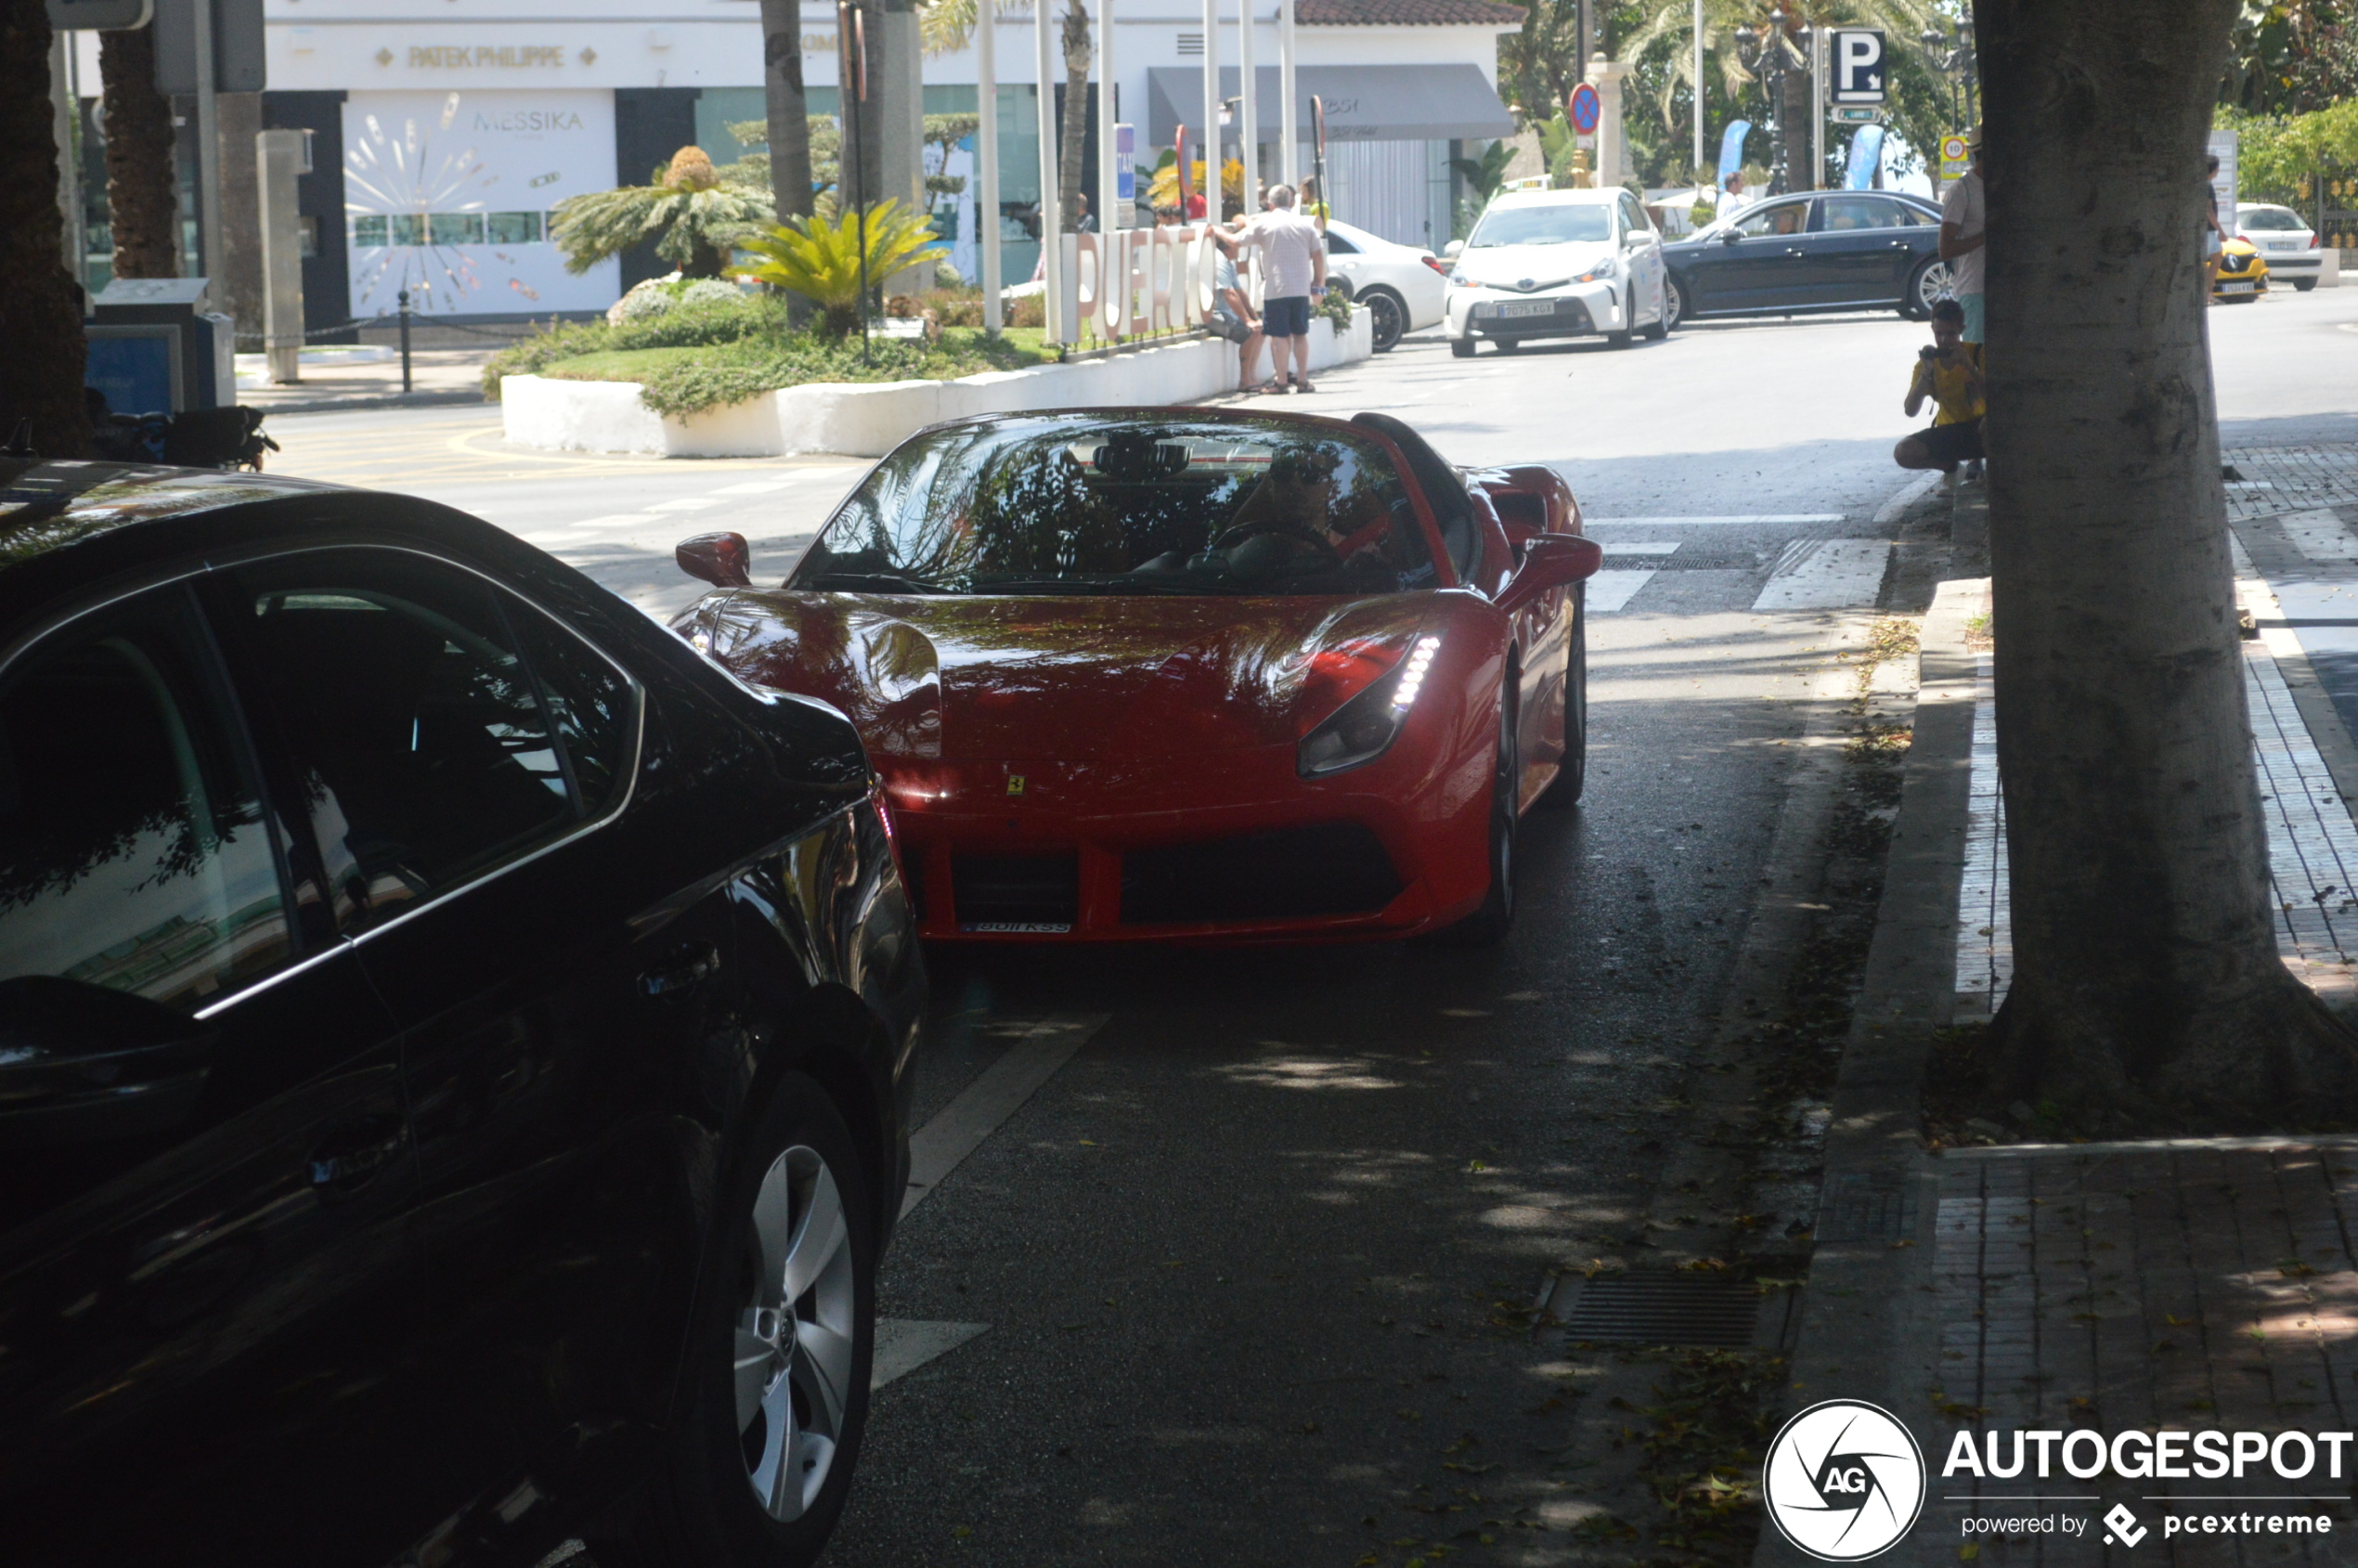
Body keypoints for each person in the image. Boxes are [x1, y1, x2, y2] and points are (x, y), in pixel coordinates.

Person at [1229, 183, 1326, 394]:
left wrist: (1216, 231)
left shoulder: (1265, 224)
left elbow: (1237, 241)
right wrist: (1319, 282)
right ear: (1291, 202)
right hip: (1301, 288)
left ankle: (1281, 382)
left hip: (1276, 289)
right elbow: (1318, 254)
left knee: (1279, 336)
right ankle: (1302, 380)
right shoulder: (1304, 224)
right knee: (1300, 334)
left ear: (1270, 204)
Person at [1894, 298, 1987, 479]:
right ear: (1933, 331)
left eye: (1951, 334)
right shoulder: (1927, 364)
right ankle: (1950, 468)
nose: (1944, 341)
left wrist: (1969, 367)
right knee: (1903, 452)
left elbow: (1998, 398)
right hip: (1949, 430)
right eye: (1939, 334)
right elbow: (1910, 411)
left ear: (1962, 330)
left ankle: (1985, 470)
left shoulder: (1978, 353)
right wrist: (1926, 373)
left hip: (1981, 427)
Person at [1939, 129, 1987, 354]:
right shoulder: (1962, 190)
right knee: (1977, 356)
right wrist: (1985, 237)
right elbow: (1945, 249)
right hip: (1975, 289)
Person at [1208, 228, 1268, 393]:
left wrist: (1254, 318)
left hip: (1228, 312)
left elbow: (1240, 292)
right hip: (1215, 314)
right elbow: (1229, 294)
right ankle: (1244, 381)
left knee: (1261, 330)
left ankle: (1251, 375)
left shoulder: (1227, 262)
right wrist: (1248, 321)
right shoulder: (1219, 261)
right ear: (1228, 246)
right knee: (1248, 333)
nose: (1239, 247)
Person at [2202, 153, 2227, 301]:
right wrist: (2221, 231)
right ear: (2214, 169)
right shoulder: (2207, 185)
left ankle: (2207, 292)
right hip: (2208, 230)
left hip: (2206, 230)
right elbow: (2209, 210)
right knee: (2213, 259)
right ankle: (2206, 293)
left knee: (2216, 257)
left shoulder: (2201, 184)